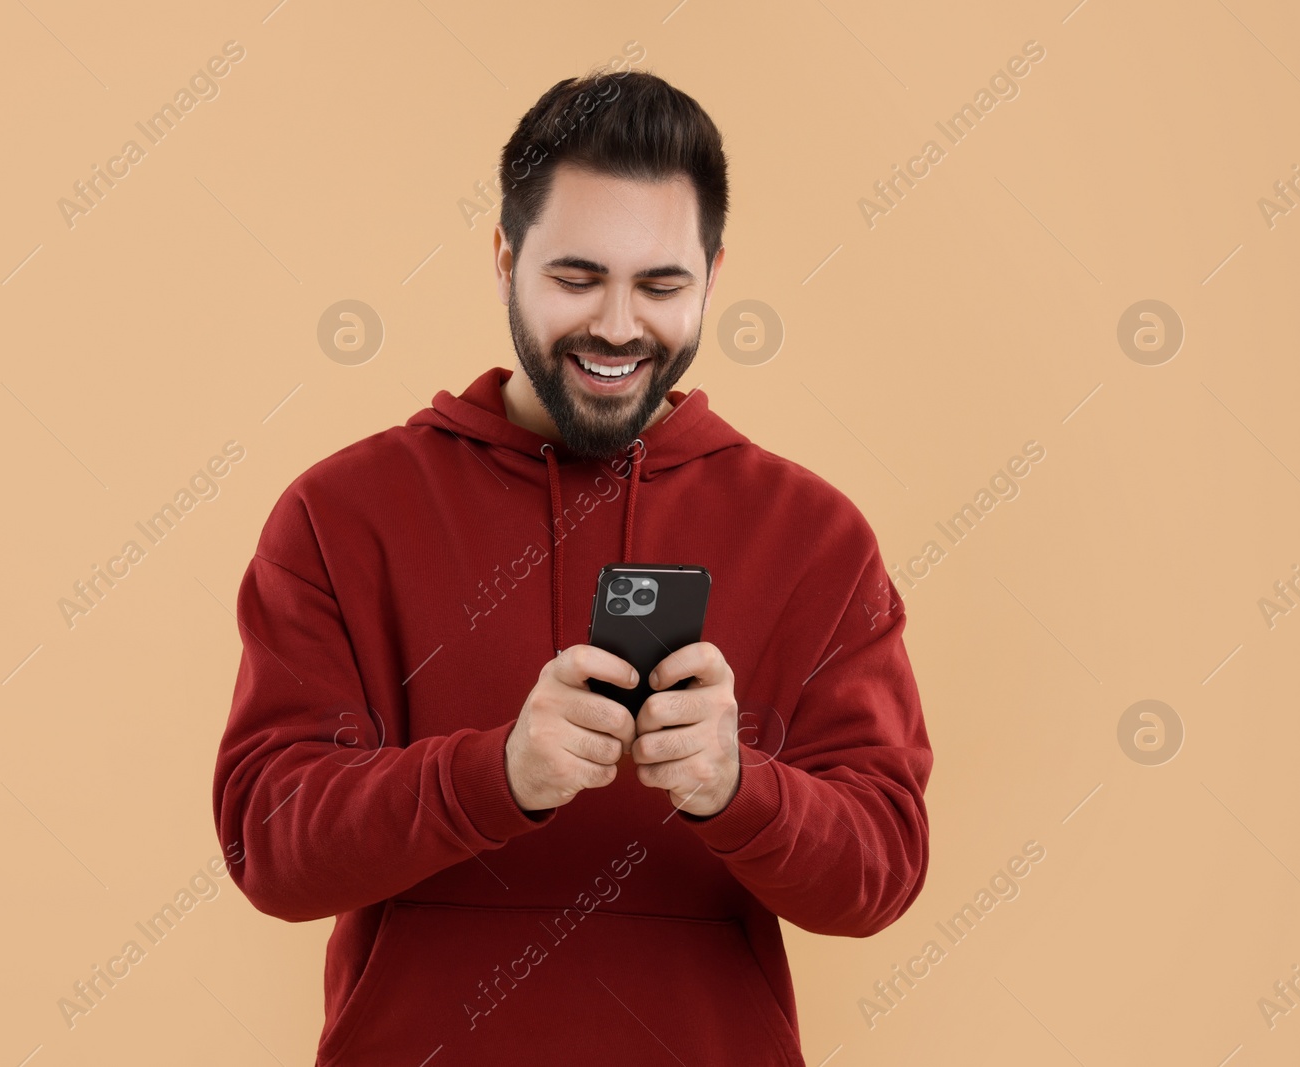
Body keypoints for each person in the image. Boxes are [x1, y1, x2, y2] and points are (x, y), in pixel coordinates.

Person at [211, 66, 933, 1066]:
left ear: (713, 277)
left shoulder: (814, 535)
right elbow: (269, 843)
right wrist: (492, 773)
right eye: (577, 276)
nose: (618, 325)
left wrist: (741, 789)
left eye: (661, 284)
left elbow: (883, 868)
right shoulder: (340, 514)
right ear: (505, 257)